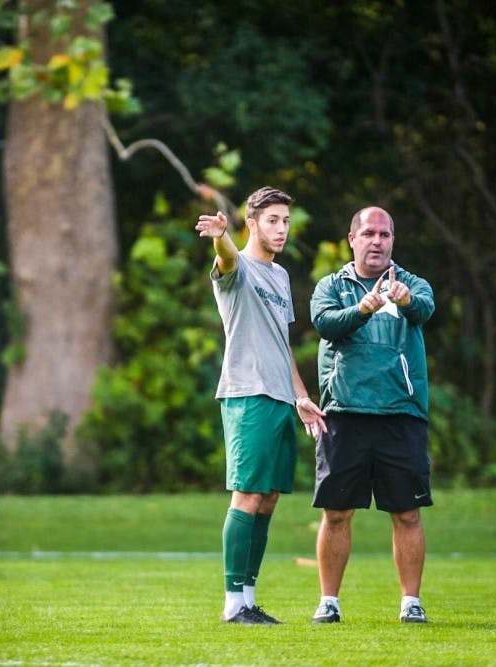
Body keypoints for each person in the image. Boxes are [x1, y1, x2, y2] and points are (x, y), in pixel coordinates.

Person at [196, 187, 327, 625]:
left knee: (268, 498)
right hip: (247, 393)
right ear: (251, 223)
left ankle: (249, 600)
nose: (282, 229)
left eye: (286, 221)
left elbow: (281, 343)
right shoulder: (237, 266)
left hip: (278, 398)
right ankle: (232, 604)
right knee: (247, 495)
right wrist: (219, 236)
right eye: (272, 220)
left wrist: (301, 395)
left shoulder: (282, 277)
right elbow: (228, 259)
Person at [308, 206, 435, 624]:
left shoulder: (411, 283)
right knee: (337, 513)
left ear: (393, 241)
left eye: (384, 234)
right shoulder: (332, 285)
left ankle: (411, 602)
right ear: (352, 239)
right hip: (344, 413)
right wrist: (362, 310)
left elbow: (425, 310)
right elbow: (324, 323)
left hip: (401, 413)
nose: (376, 241)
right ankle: (329, 602)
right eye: (368, 233)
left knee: (407, 513)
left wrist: (407, 299)